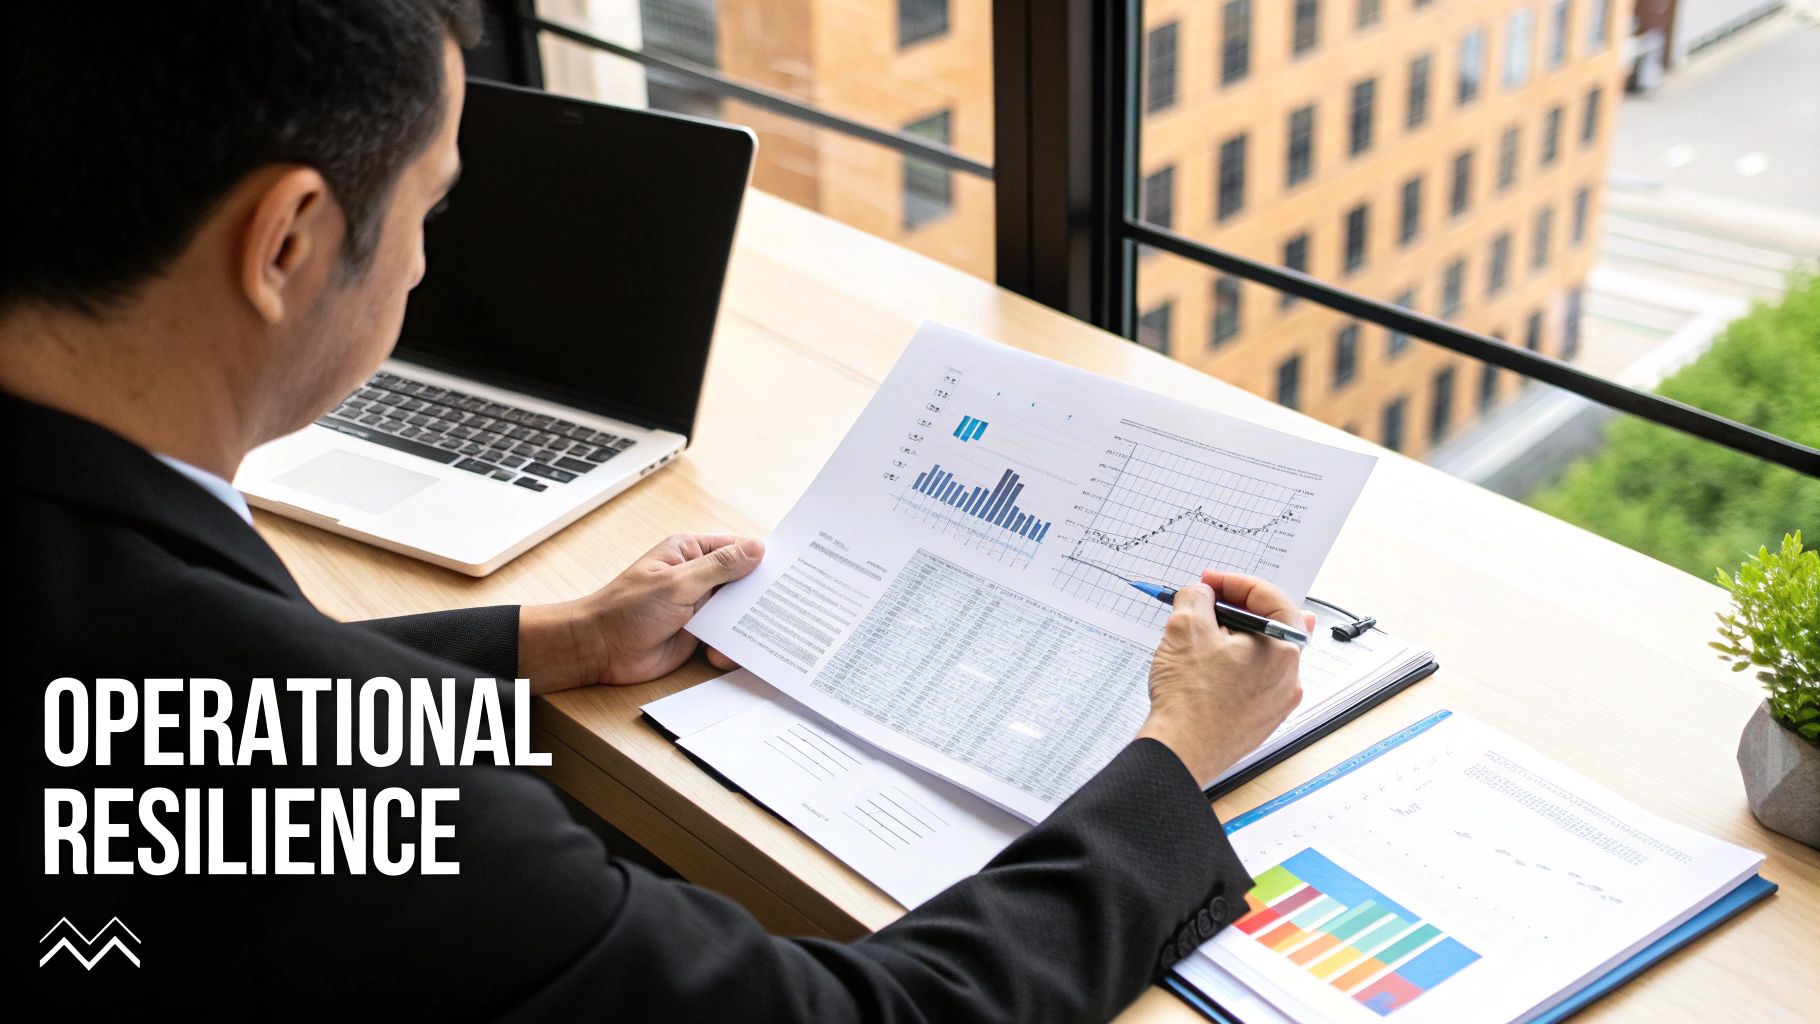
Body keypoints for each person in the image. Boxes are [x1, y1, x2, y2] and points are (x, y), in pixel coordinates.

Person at [4, 3, 1307, 1019]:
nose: (420, 259)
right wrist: (1173, 758)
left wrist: (549, 643)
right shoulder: (347, 786)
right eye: (431, 206)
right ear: (287, 238)